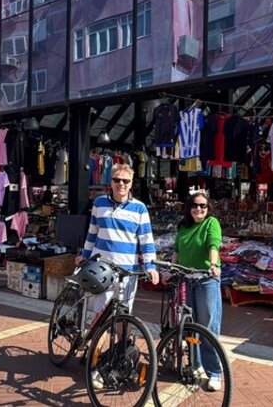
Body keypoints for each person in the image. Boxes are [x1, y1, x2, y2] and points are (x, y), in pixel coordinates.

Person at [75, 164, 159, 389]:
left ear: (132, 184)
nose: (121, 184)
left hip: (127, 273)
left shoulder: (140, 209)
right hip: (101, 270)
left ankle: (117, 358)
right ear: (110, 182)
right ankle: (93, 365)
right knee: (100, 319)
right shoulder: (99, 203)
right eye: (117, 180)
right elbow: (91, 234)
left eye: (125, 181)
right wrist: (84, 256)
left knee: (123, 318)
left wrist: (150, 266)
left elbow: (146, 239)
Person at [170, 192, 223, 391]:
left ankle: (215, 372)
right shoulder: (183, 226)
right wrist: (171, 269)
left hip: (205, 280)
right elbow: (177, 250)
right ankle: (195, 364)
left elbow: (213, 244)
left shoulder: (211, 223)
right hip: (186, 279)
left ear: (208, 208)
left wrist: (213, 264)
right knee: (190, 325)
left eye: (203, 205)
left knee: (208, 325)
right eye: (194, 205)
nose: (198, 209)